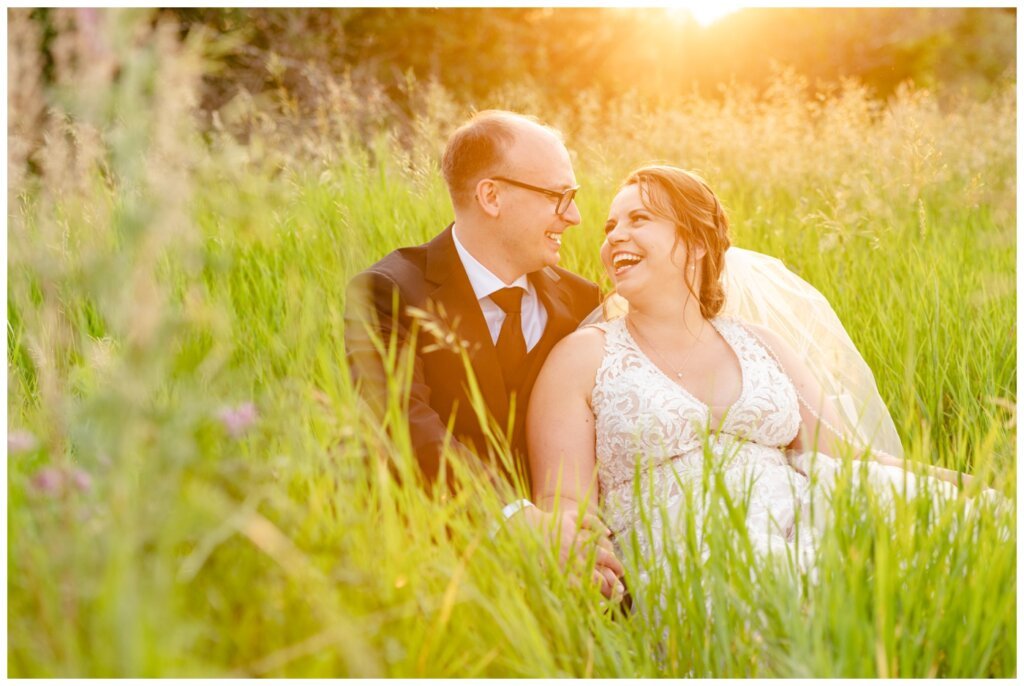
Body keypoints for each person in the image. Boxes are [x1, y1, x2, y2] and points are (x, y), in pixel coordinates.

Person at [526, 164, 985, 609]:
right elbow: (562, 499)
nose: (614, 236)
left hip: (803, 517)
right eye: (610, 226)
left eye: (639, 219)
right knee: (775, 582)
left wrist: (977, 485)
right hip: (694, 559)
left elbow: (846, 456)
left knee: (971, 526)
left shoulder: (760, 343)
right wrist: (581, 552)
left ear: (696, 241)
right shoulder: (582, 356)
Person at [345, 110, 624, 597]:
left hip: (576, 555)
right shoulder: (390, 291)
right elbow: (399, 420)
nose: (574, 217)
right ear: (492, 196)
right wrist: (516, 521)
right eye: (559, 197)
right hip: (436, 568)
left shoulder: (585, 302)